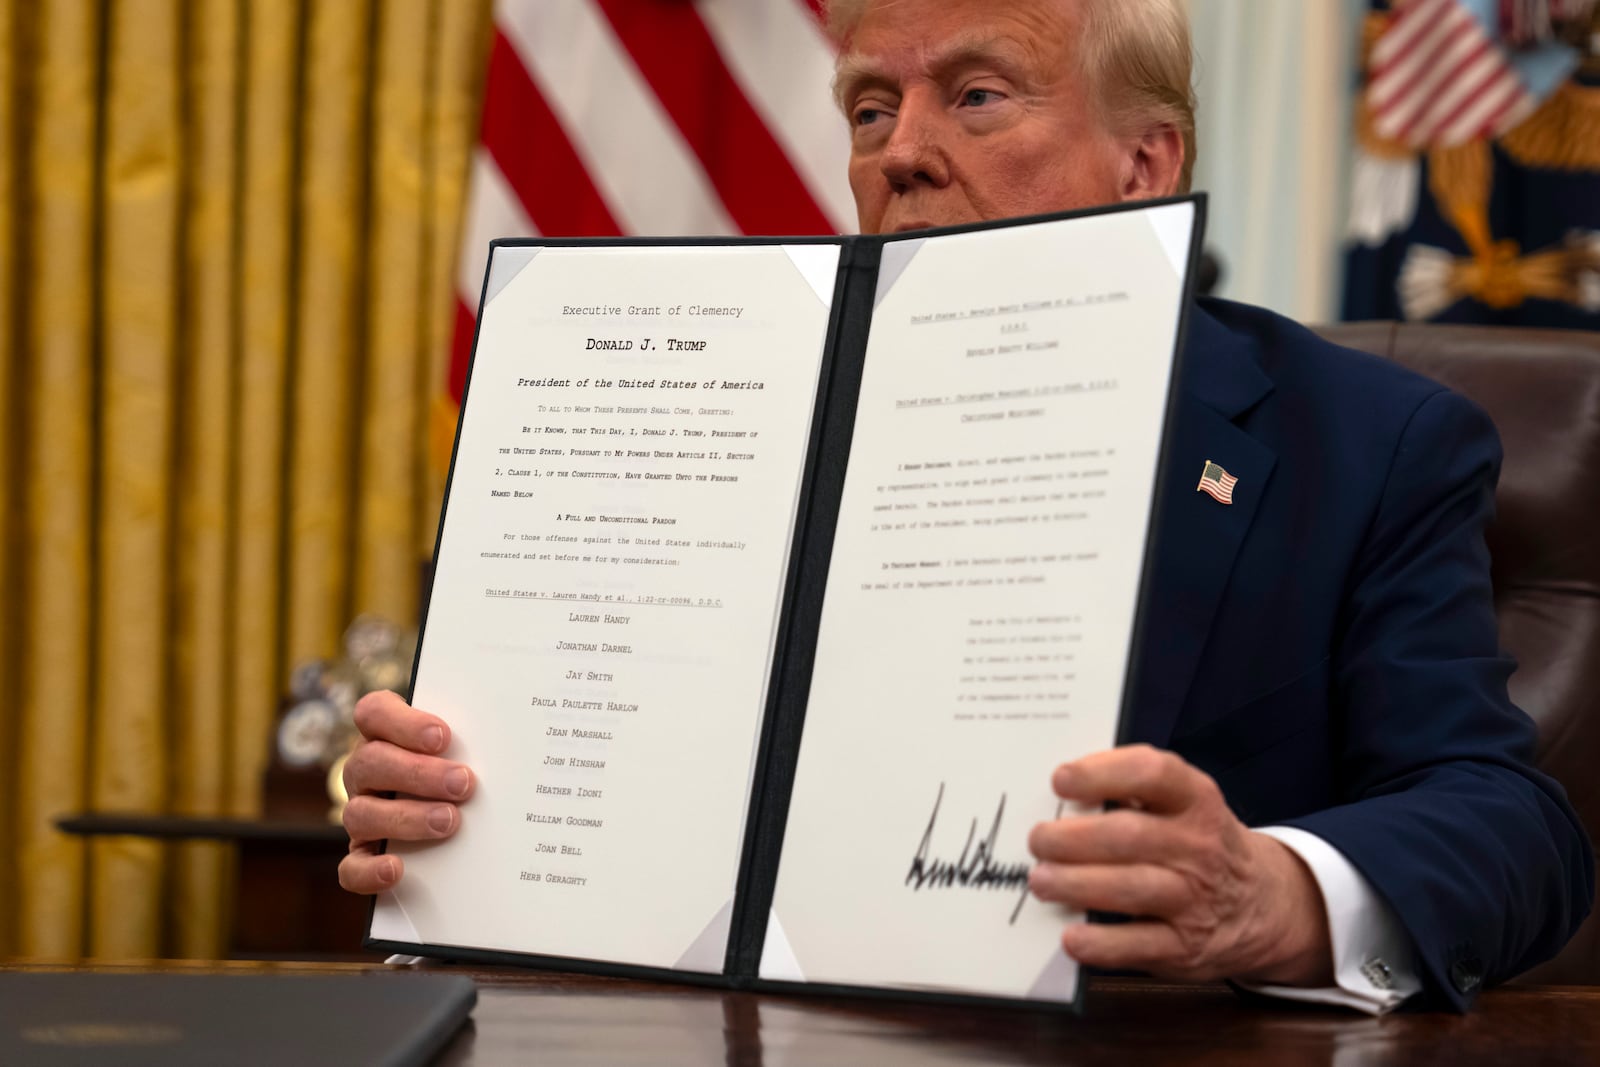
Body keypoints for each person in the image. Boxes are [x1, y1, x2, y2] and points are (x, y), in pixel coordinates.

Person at [339, 0, 1593, 1011]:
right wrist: (456, 796)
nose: (899, 152)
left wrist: (1272, 891)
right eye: (871, 108)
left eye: (977, 96)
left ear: (1142, 166)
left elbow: (1509, 827)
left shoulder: (1364, 442)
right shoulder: (702, 413)